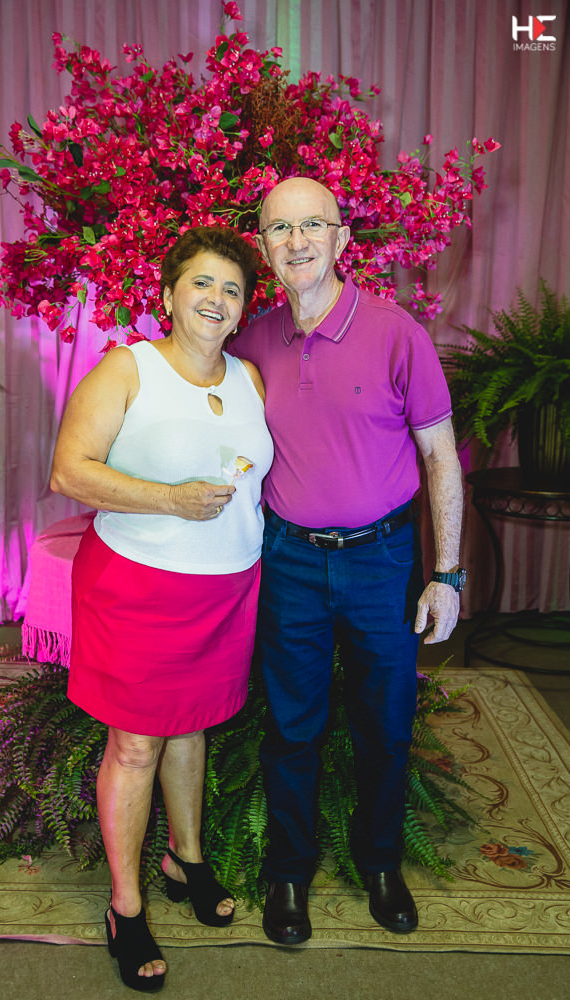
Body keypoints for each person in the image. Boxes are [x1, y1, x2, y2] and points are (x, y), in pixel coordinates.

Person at [230, 176, 465, 944]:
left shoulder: (397, 334)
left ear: (341, 238)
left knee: (385, 724)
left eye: (311, 225)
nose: (295, 241)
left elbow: (440, 459)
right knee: (291, 726)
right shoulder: (251, 342)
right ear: (262, 245)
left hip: (381, 562)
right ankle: (288, 873)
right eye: (278, 228)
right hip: (289, 562)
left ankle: (380, 863)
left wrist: (446, 574)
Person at [50, 225, 273, 992]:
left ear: (243, 309)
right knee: (137, 745)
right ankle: (125, 906)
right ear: (170, 294)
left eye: (232, 289)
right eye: (201, 282)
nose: (216, 298)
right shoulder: (128, 368)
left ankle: (186, 859)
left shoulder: (249, 378)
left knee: (193, 724)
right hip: (138, 586)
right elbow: (69, 472)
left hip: (226, 589)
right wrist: (168, 499)